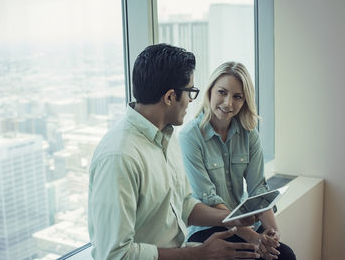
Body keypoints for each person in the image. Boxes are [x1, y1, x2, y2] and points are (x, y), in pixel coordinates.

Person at [88, 45, 261, 260]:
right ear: (170, 97)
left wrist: (228, 218)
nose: (190, 100)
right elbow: (115, 255)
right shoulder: (119, 157)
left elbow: (183, 204)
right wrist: (198, 254)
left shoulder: (167, 138)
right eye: (190, 92)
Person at [178, 61, 296, 260]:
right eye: (222, 92)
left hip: (246, 226)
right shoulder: (190, 136)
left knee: (284, 255)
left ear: (245, 100)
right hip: (209, 229)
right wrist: (252, 237)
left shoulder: (249, 134)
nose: (228, 103)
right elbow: (209, 199)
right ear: (209, 92)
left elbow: (258, 189)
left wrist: (273, 234)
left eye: (237, 97)